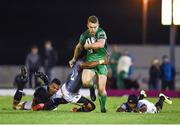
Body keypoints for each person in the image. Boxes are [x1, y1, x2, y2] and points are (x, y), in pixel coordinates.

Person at [69, 15, 109, 113]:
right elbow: (79, 47)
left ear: (98, 25)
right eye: (91, 27)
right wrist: (74, 59)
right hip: (90, 62)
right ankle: (92, 87)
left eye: (95, 27)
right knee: (86, 82)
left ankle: (103, 109)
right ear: (87, 25)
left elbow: (101, 44)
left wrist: (88, 46)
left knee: (101, 88)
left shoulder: (101, 32)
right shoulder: (84, 35)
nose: (93, 29)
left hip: (101, 62)